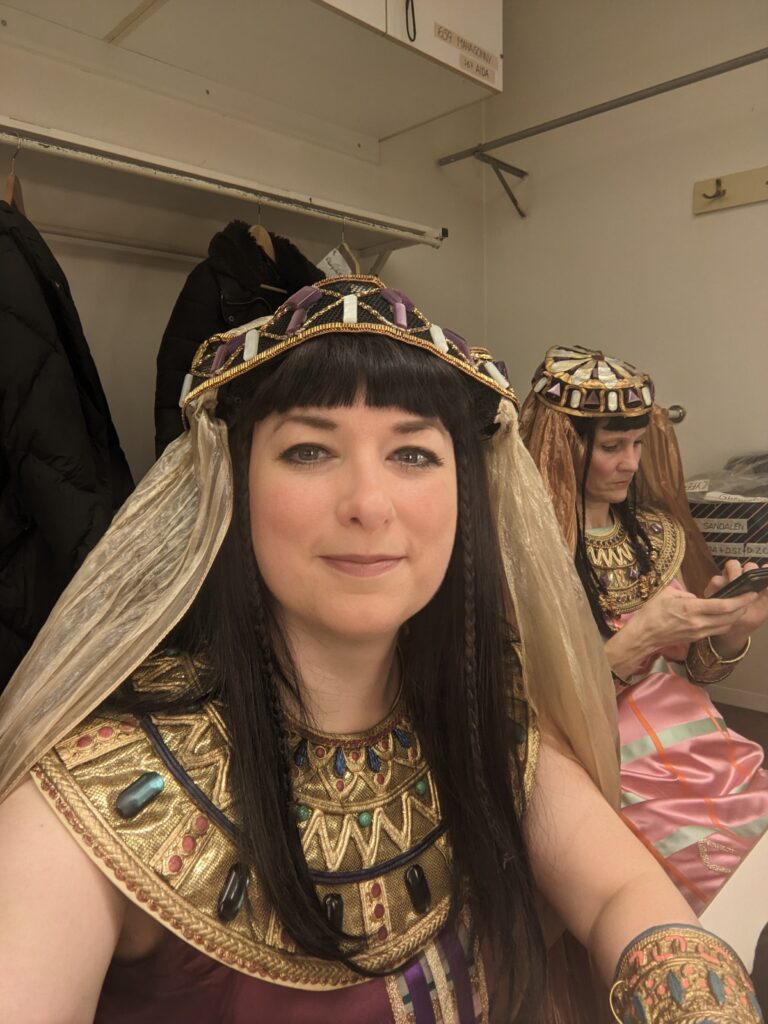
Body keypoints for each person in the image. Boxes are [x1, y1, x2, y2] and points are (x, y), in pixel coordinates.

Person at [0, 283, 762, 1024]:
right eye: (308, 450)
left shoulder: (483, 715)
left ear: (467, 493)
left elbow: (621, 891)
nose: (369, 503)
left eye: (413, 454)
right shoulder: (96, 790)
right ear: (233, 484)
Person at [521, 345, 768, 915]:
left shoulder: (655, 535)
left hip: (703, 741)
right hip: (609, 758)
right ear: (564, 446)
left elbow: (696, 668)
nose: (631, 463)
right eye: (612, 447)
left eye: (637, 444)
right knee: (713, 891)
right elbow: (531, 710)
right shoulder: (524, 557)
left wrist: (730, 630)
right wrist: (639, 639)